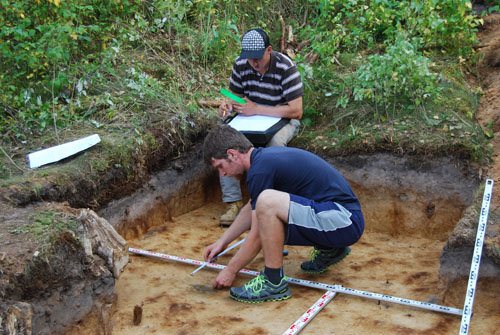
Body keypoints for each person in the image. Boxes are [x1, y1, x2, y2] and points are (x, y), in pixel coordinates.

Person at [202, 125, 365, 303]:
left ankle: (274, 282)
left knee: (267, 207)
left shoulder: (260, 169)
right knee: (265, 207)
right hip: (341, 220)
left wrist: (230, 270)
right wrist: (222, 241)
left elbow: (257, 233)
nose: (223, 174)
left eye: (220, 166)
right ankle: (331, 248)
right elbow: (251, 208)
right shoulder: (265, 161)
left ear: (232, 154)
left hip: (343, 221)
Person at [217, 28, 304, 226]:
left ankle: (276, 202)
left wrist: (257, 109)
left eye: (258, 58)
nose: (254, 64)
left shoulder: (285, 67)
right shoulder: (241, 64)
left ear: (269, 50)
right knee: (225, 141)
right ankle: (233, 203)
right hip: (249, 118)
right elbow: (234, 95)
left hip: (282, 119)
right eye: (250, 59)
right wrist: (229, 105)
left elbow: (296, 111)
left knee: (274, 144)